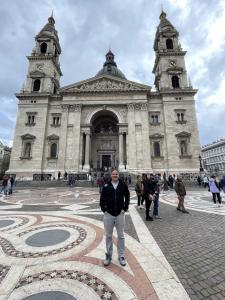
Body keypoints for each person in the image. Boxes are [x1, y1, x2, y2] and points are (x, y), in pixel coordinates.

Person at [100, 169, 130, 267]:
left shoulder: (123, 185)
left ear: (118, 175)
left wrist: (125, 208)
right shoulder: (106, 185)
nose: (115, 175)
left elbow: (127, 196)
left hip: (120, 214)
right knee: (108, 236)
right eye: (113, 174)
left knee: (121, 236)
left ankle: (121, 256)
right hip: (109, 214)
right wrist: (104, 210)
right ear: (111, 175)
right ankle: (109, 255)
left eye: (116, 174)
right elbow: (102, 198)